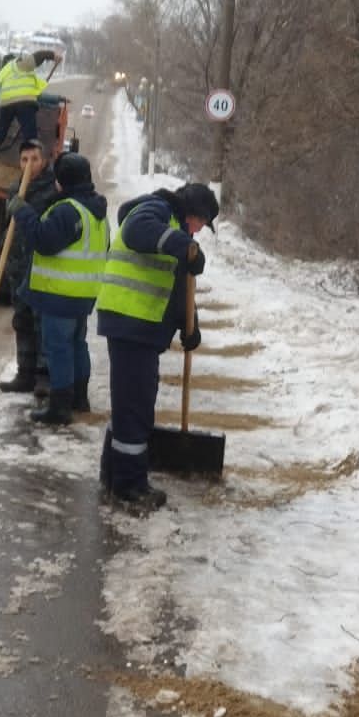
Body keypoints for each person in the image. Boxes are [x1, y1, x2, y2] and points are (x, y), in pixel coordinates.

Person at [95, 181, 220, 511]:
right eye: (201, 223)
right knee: (135, 408)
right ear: (192, 213)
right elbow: (136, 230)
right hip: (129, 320)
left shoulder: (178, 232)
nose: (199, 231)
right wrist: (182, 244)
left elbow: (180, 288)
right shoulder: (156, 210)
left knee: (130, 404)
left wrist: (189, 326)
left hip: (140, 327)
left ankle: (113, 476)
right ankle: (129, 488)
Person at [7, 153, 109, 425]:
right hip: (83, 295)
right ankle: (79, 398)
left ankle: (60, 407)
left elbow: (43, 240)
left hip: (60, 295)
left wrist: (21, 210)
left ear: (63, 181)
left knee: (58, 348)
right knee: (77, 345)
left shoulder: (68, 210)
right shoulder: (96, 212)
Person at [0, 138, 57, 396]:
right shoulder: (14, 190)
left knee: (40, 322)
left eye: (34, 159)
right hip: (18, 266)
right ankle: (25, 373)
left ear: (43, 161)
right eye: (24, 160)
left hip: (41, 268)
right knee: (21, 320)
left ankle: (44, 377)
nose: (29, 165)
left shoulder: (52, 191)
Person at [0, 49, 60, 162]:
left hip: (6, 103)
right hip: (24, 102)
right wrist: (53, 55)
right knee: (30, 135)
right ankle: (31, 165)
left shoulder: (3, 73)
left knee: (1, 130)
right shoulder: (18, 64)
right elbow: (38, 56)